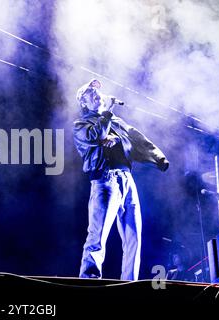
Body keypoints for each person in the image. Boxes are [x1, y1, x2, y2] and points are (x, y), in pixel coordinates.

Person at [73, 79, 169, 280]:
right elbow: (94, 135)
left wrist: (158, 157)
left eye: (97, 91)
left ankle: (129, 281)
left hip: (127, 180)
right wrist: (106, 114)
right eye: (90, 93)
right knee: (97, 235)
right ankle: (89, 279)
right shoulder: (82, 125)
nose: (96, 94)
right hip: (104, 180)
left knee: (134, 237)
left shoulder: (115, 122)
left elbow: (135, 137)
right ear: (83, 102)